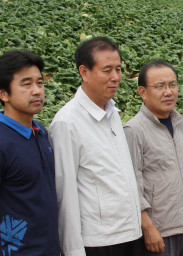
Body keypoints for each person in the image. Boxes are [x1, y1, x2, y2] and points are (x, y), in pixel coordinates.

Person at [48, 37, 142, 256]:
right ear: (84, 72)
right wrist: (73, 251)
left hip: (129, 234)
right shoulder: (67, 123)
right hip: (98, 242)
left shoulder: (112, 113)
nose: (116, 77)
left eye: (118, 69)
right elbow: (65, 195)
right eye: (107, 70)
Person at [0, 50, 60, 255]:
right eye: (26, 84)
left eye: (40, 82)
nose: (37, 91)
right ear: (2, 93)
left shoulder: (40, 133)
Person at [123, 60, 183, 256]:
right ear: (142, 92)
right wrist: (148, 228)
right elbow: (131, 186)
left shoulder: (180, 124)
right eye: (160, 86)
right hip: (157, 232)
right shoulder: (134, 130)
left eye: (172, 85)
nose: (168, 92)